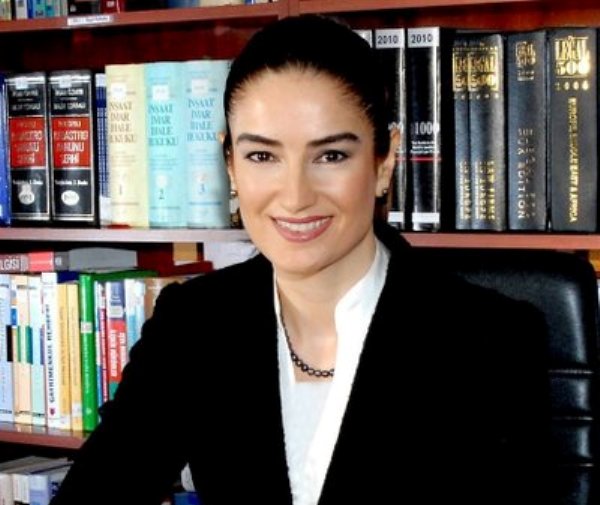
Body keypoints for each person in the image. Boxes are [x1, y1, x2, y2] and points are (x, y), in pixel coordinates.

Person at [51, 14, 551, 505]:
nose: (295, 196)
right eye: (262, 156)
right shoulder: (194, 324)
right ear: (230, 164)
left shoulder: (489, 339)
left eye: (331, 156)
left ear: (384, 162)